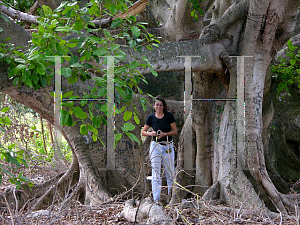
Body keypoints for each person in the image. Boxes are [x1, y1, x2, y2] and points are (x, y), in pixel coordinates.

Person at [142, 95, 177, 203]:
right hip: (155, 146)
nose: (159, 106)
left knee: (170, 172)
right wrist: (151, 133)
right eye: (157, 104)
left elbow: (175, 131)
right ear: (154, 106)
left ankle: (171, 197)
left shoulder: (169, 116)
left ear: (164, 106)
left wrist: (164, 134)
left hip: (167, 145)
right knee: (156, 173)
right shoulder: (151, 117)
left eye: (161, 105)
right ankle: (156, 199)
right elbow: (143, 132)